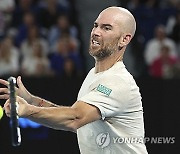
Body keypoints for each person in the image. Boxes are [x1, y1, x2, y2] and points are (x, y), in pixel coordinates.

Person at [0, 6, 148, 154]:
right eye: (95, 25)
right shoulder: (94, 74)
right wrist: (31, 100)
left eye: (106, 28)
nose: (96, 32)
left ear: (124, 39)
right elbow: (76, 120)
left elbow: (75, 118)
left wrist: (28, 110)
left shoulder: (117, 81)